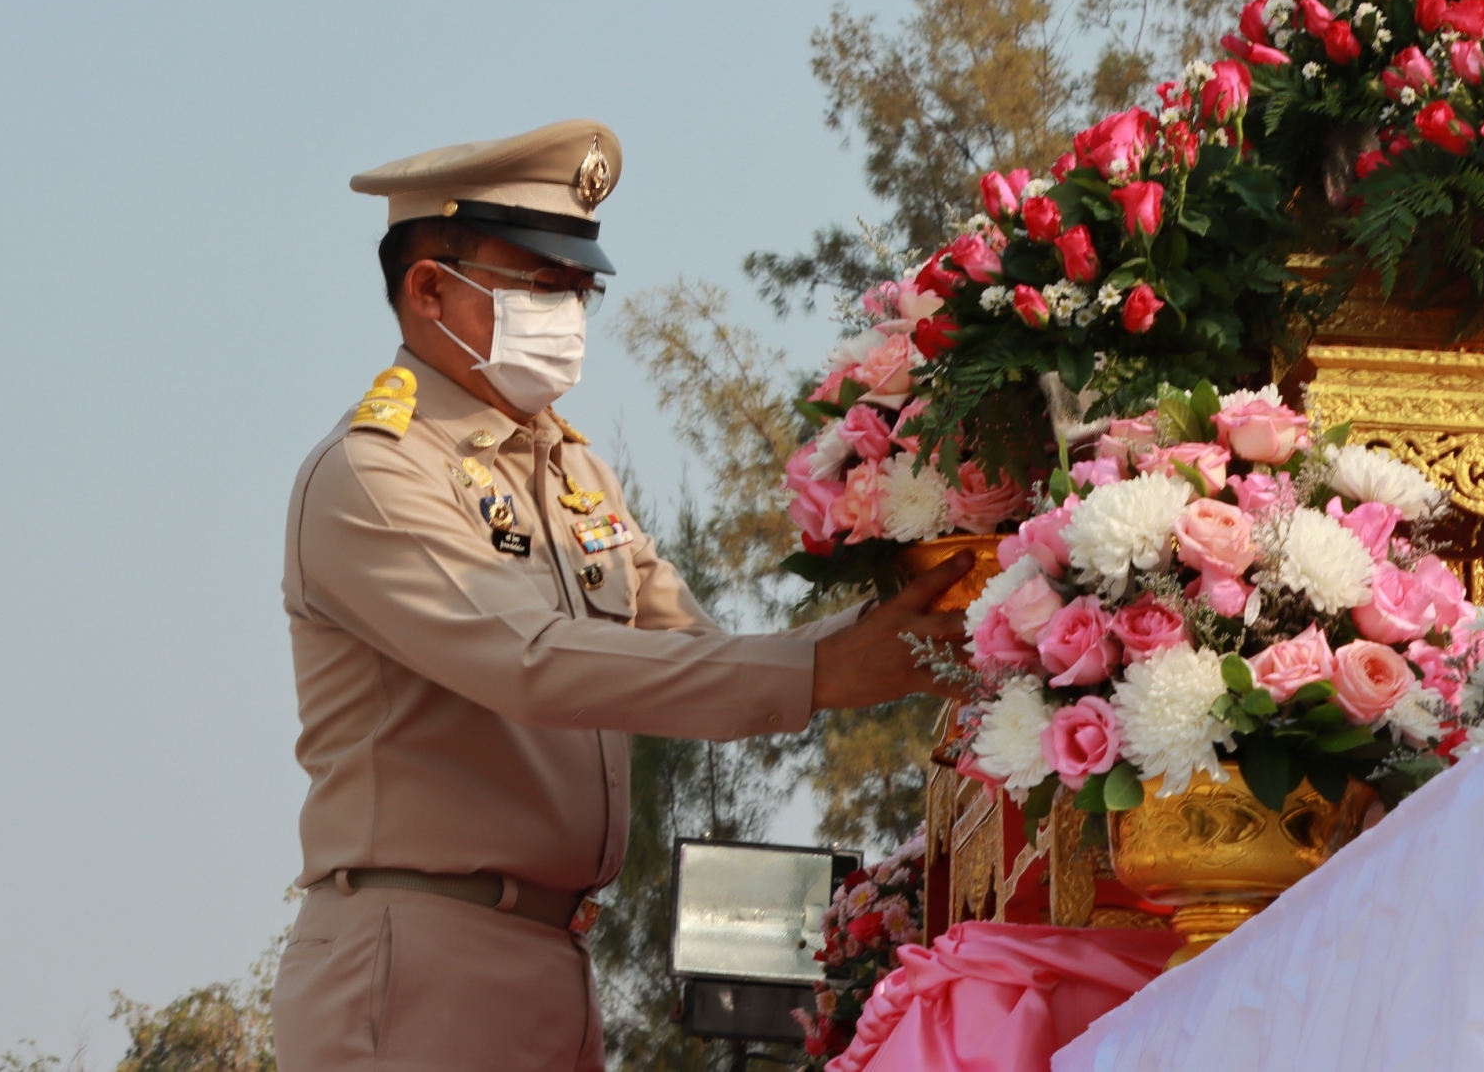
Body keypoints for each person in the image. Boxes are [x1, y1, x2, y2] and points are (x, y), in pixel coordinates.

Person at [269, 119, 971, 1071]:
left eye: (579, 289)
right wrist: (818, 669)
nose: (568, 313)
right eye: (539, 284)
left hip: (555, 955)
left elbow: (696, 650)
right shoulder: (373, 475)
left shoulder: (570, 471)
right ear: (430, 288)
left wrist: (918, 616)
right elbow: (533, 662)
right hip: (421, 957)